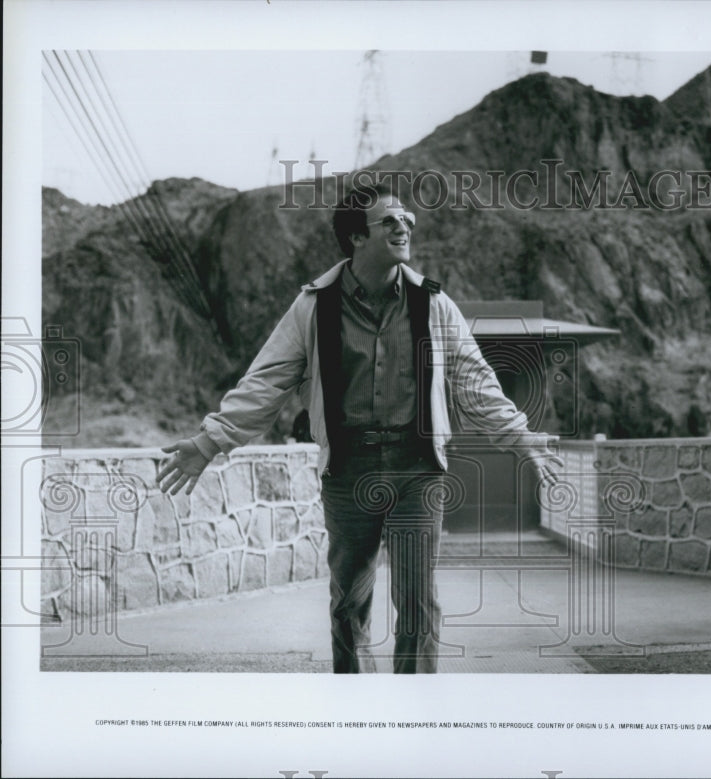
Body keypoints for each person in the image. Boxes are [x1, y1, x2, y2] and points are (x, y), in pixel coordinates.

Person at [155, 182, 558, 673]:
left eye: (406, 217)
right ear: (355, 238)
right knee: (349, 604)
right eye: (388, 221)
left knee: (417, 607)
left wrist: (520, 438)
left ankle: (413, 718)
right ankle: (359, 713)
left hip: (417, 471)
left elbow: (475, 381)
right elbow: (267, 381)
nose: (404, 225)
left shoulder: (433, 303)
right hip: (348, 473)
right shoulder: (314, 306)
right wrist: (209, 440)